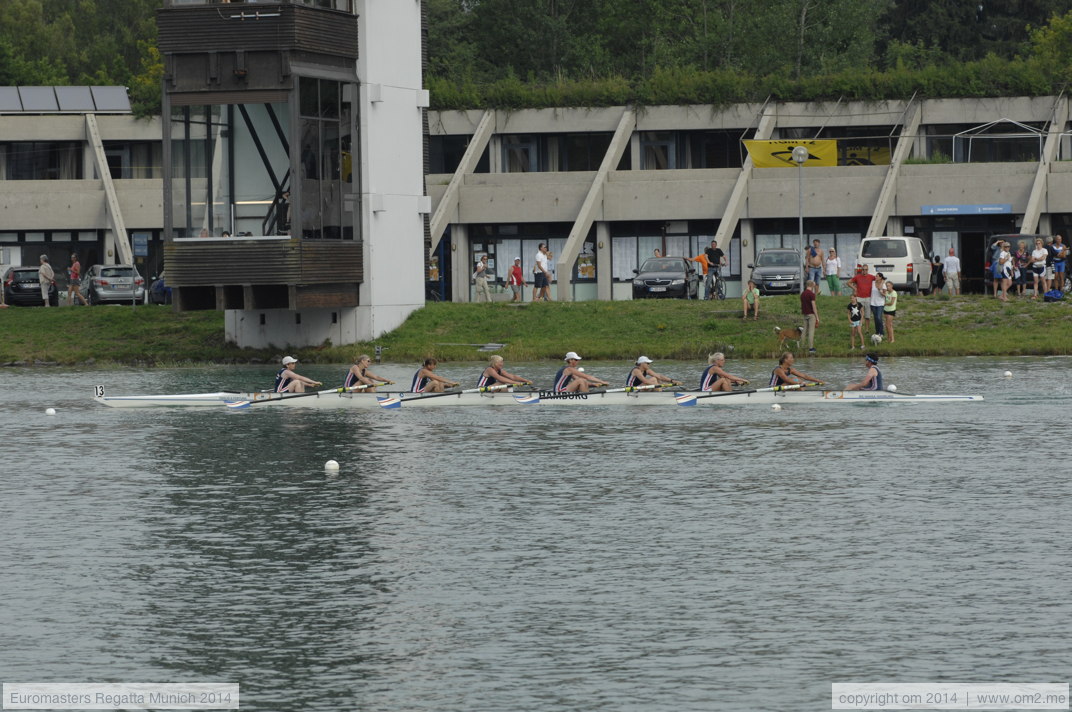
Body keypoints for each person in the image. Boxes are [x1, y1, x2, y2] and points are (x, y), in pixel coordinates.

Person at [848, 264, 876, 333]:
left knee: (867, 315)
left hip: (868, 298)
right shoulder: (857, 277)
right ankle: (858, 329)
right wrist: (854, 288)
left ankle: (866, 329)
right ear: (861, 270)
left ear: (867, 270)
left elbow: (879, 279)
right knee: (858, 315)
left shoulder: (871, 277)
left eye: (866, 269)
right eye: (863, 269)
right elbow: (848, 282)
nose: (864, 271)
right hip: (859, 298)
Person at [800, 279, 819, 353]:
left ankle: (802, 346)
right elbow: (814, 306)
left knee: (804, 330)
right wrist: (817, 317)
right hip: (811, 315)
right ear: (812, 285)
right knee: (811, 331)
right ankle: (811, 348)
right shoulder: (811, 294)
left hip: (805, 314)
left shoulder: (803, 294)